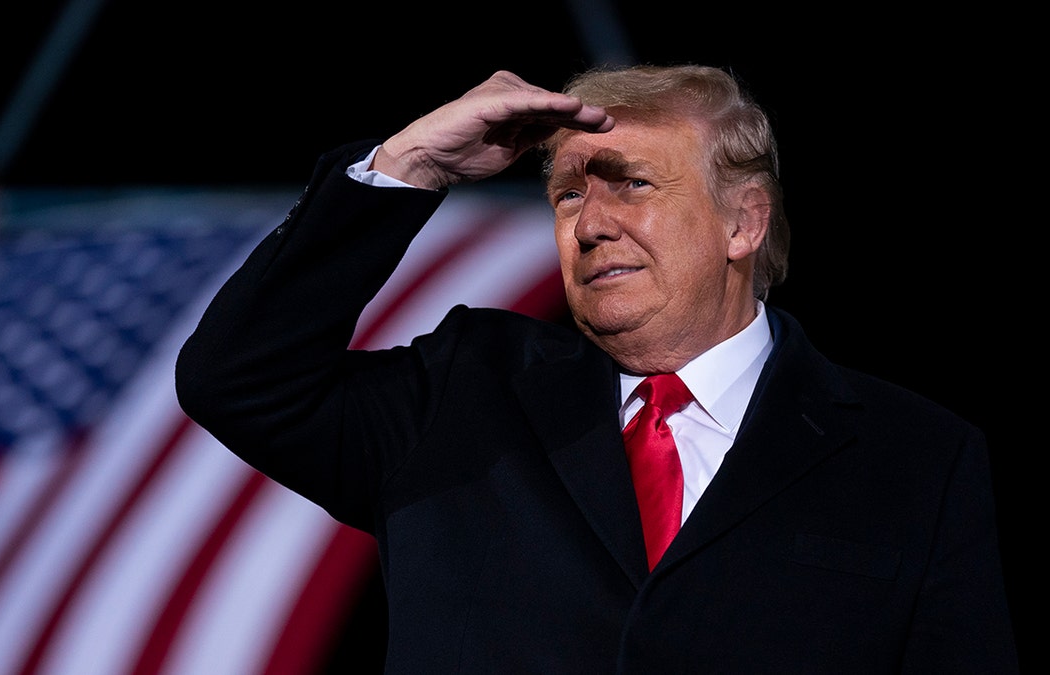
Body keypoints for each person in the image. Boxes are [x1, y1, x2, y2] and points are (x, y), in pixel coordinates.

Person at [174, 65, 1018, 672]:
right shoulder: (464, 391)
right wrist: (409, 167)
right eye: (570, 194)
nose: (590, 225)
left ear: (743, 224)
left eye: (631, 184)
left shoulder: (918, 457)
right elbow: (236, 378)